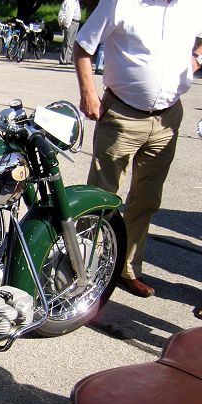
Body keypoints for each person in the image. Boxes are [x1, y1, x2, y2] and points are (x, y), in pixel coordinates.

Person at [73, 0, 202, 297]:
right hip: (121, 115)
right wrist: (88, 93)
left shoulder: (193, 5)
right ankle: (81, 271)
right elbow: (82, 47)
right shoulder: (121, 3)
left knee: (146, 198)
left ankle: (125, 269)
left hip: (168, 117)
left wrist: (195, 60)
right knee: (100, 198)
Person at [59, 0, 81, 64]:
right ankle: (63, 59)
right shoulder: (68, 1)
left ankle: (68, 59)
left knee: (72, 42)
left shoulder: (76, 1)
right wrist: (62, 23)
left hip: (77, 22)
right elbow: (62, 13)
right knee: (67, 41)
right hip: (70, 22)